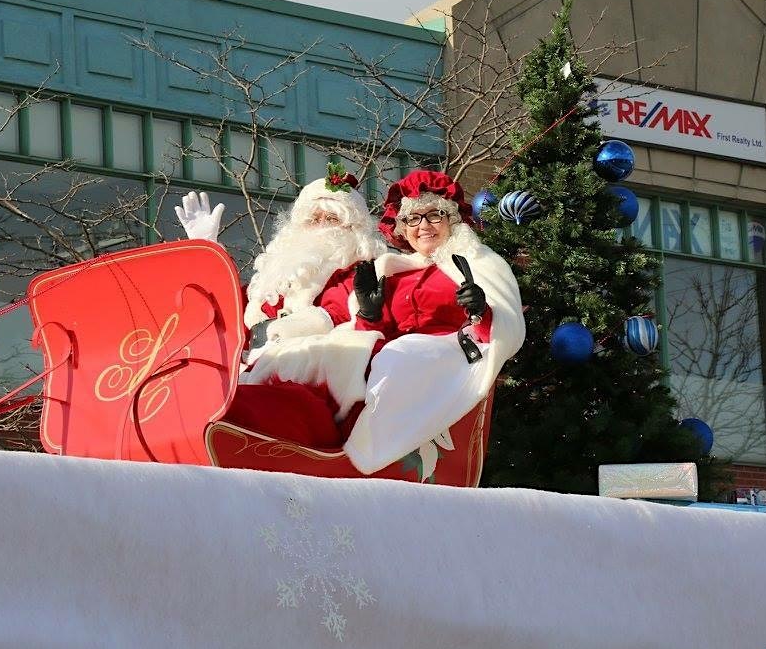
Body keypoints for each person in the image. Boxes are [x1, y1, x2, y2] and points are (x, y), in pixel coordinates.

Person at [174, 165, 389, 446]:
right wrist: (207, 250)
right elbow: (229, 312)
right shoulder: (276, 277)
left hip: (308, 378)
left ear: (353, 229)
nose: (322, 225)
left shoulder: (358, 272)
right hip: (250, 367)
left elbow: (338, 312)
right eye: (314, 218)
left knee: (248, 406)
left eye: (332, 218)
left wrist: (278, 330)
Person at [340, 170, 525, 475]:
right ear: (403, 227)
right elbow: (371, 338)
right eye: (413, 218)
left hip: (450, 355)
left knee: (398, 358)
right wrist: (368, 316)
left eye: (434, 215)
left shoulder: (477, 262)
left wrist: (482, 312)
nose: (423, 226)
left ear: (451, 219)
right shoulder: (393, 270)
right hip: (393, 356)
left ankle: (365, 460)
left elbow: (507, 330)